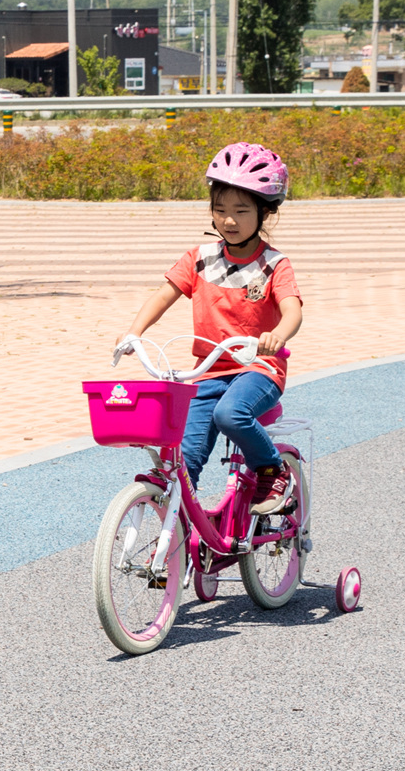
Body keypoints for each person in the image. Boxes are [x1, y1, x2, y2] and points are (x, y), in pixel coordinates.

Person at [114, 141, 304, 514]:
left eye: (241, 210)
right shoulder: (199, 259)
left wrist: (278, 335)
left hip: (257, 368)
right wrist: (134, 331)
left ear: (264, 212)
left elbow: (292, 309)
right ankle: (184, 544)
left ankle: (271, 469)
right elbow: (163, 295)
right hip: (207, 371)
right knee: (186, 459)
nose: (228, 220)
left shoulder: (274, 264)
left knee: (230, 414)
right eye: (219, 210)